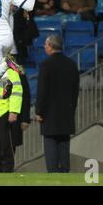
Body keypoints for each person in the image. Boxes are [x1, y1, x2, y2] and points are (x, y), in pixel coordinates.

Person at [35, 34, 79, 173]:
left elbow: (42, 91)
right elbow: (75, 91)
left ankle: (53, 176)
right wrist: (71, 110)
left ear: (51, 46)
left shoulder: (45, 65)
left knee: (51, 148)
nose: (44, 47)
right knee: (64, 147)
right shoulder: (72, 65)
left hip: (49, 115)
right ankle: (65, 176)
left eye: (46, 45)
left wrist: (39, 111)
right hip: (66, 114)